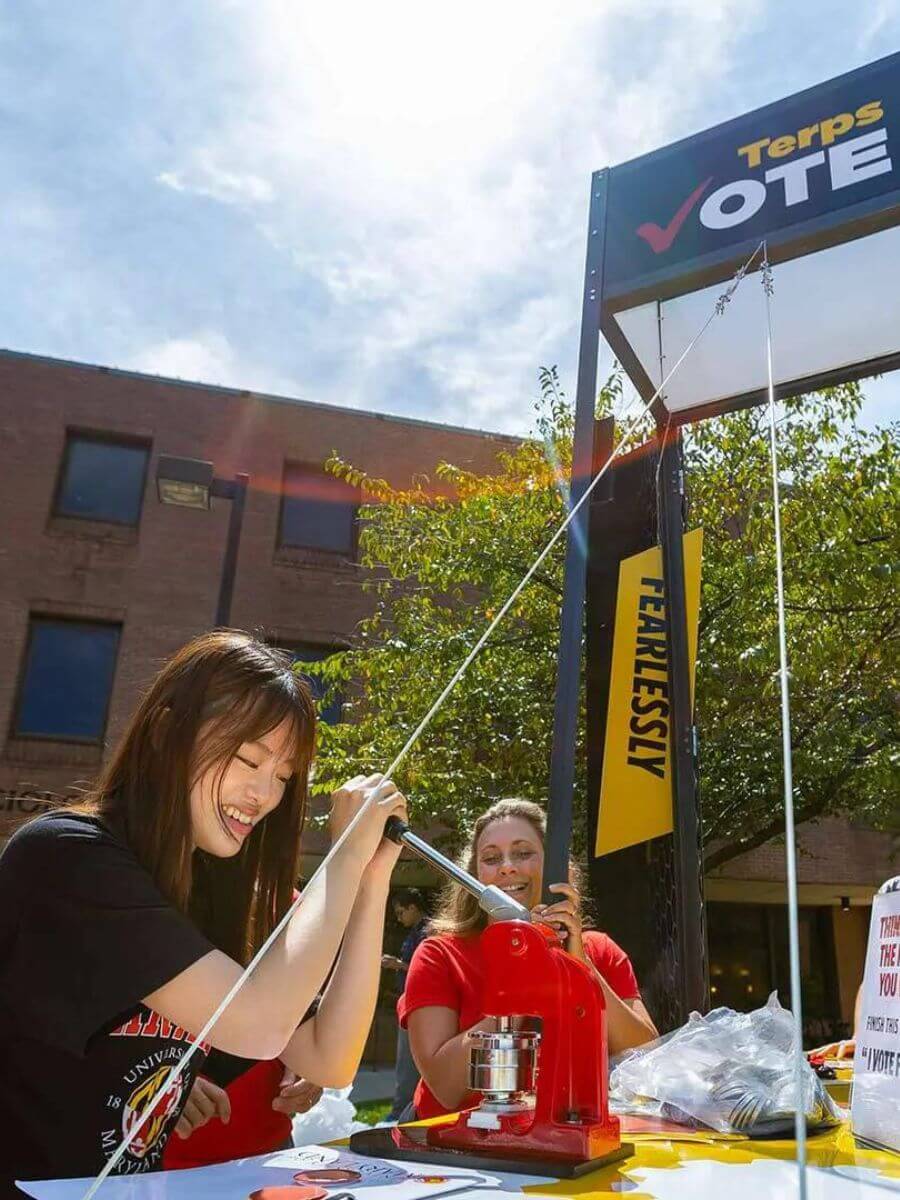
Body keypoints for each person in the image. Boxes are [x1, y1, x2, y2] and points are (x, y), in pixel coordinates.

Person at [0, 631, 407, 1193]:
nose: (264, 794)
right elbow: (261, 1026)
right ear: (168, 733)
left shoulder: (214, 890)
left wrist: (371, 878)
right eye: (248, 759)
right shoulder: (70, 857)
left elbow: (329, 1058)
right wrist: (341, 859)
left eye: (284, 776)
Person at [399, 798, 658, 1119]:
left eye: (523, 853)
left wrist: (579, 967)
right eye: (492, 858)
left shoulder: (600, 951)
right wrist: (523, 970)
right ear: (476, 876)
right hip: (460, 1147)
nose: (507, 866)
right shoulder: (440, 954)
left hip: (570, 1140)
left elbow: (645, 1057)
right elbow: (445, 1087)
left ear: (555, 867)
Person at [382, 888, 429, 1122]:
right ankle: (406, 1111)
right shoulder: (414, 931)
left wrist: (397, 964)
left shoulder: (428, 931)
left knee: (407, 1065)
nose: (399, 919)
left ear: (413, 908)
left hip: (419, 1007)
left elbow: (427, 970)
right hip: (409, 1002)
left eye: (401, 912)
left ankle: (399, 1114)